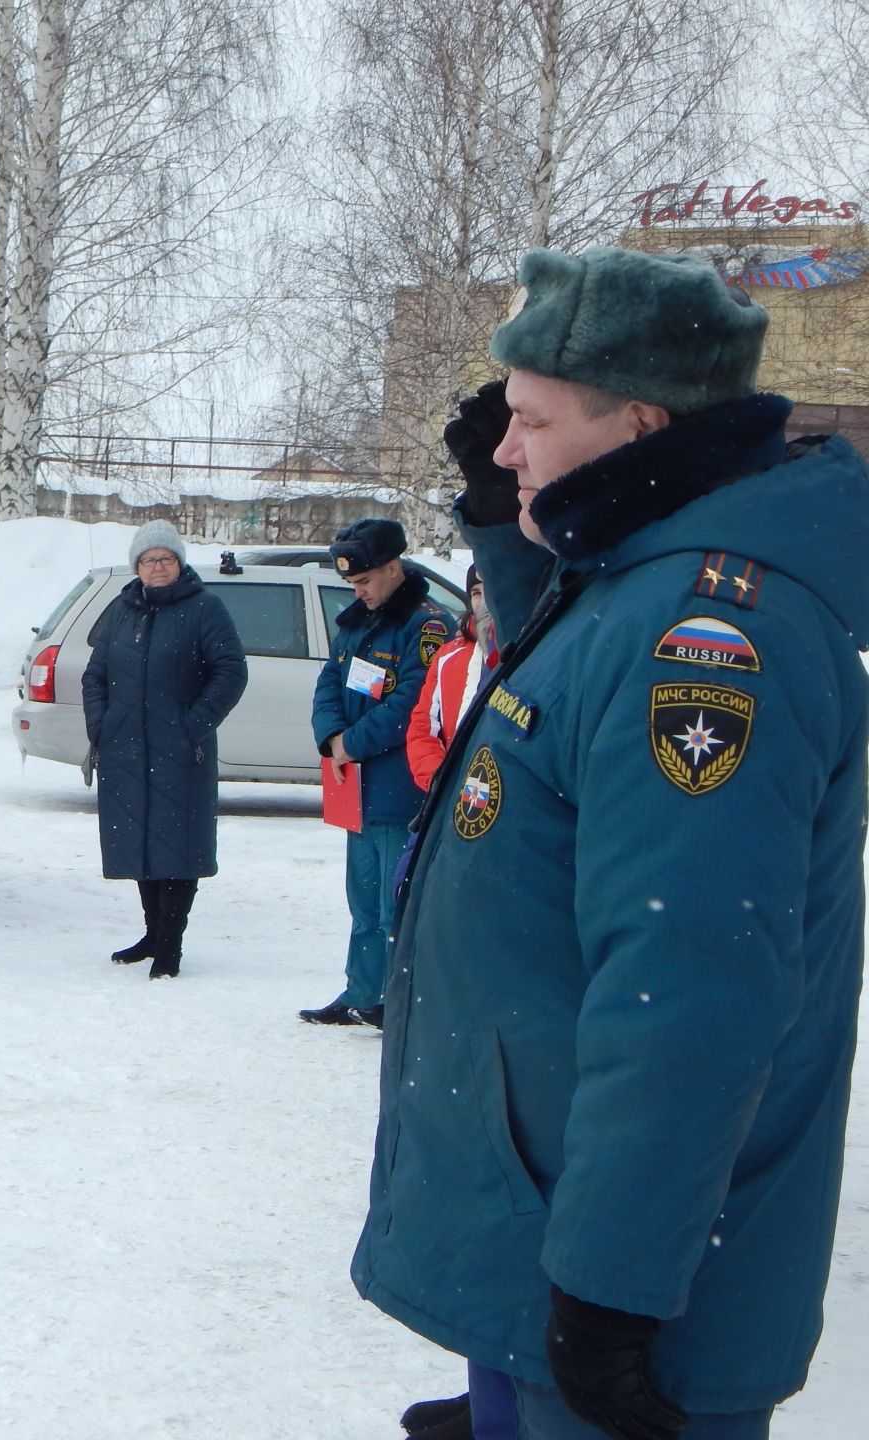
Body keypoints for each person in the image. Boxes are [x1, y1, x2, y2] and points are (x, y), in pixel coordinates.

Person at [352, 246, 869, 1439]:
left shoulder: (708, 641)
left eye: (530, 422)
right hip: (544, 1231)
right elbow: (577, 670)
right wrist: (507, 525)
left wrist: (610, 1294)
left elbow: (687, 987)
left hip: (614, 1284)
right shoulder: (634, 583)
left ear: (638, 425)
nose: (504, 448)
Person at [81, 519, 249, 979]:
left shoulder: (205, 609)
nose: (158, 567)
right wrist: (101, 725)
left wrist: (192, 725)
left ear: (179, 563)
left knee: (178, 844)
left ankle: (171, 944)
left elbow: (230, 672)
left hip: (181, 751)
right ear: (137, 566)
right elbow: (95, 675)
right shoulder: (121, 610)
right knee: (138, 841)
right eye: (149, 560)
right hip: (126, 749)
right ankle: (153, 933)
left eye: (166, 558)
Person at [302, 517, 452, 1027]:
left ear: (394, 568)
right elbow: (329, 679)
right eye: (352, 582)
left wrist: (352, 744)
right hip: (356, 789)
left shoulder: (427, 626)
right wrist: (331, 738)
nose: (357, 590)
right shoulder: (359, 620)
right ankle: (361, 990)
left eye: (365, 580)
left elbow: (414, 702)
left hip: (397, 787)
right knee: (363, 903)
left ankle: (396, 1002)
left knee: (394, 908)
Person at [404, 564, 496, 793]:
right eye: (476, 593)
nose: (483, 601)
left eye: (491, 589)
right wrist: (440, 783)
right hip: (455, 800)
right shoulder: (449, 656)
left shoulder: (532, 653)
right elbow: (423, 727)